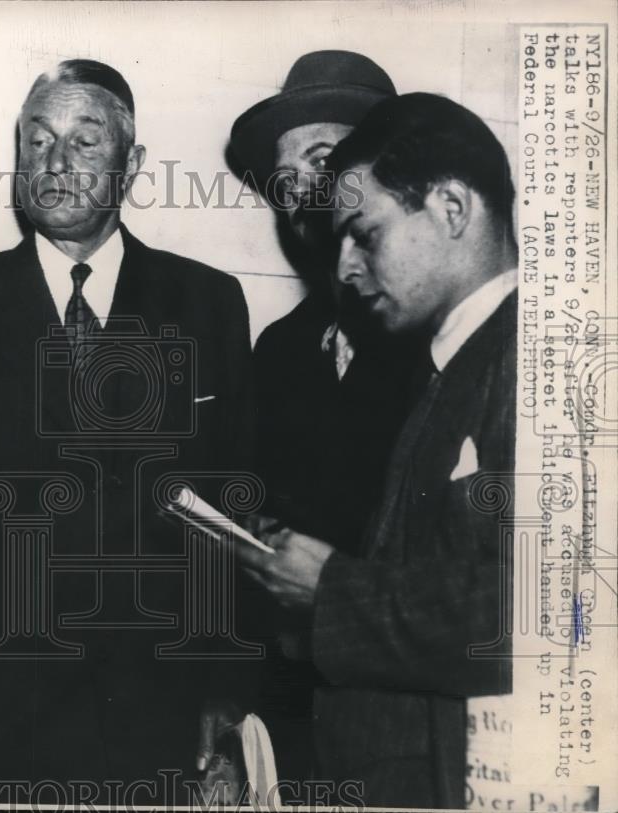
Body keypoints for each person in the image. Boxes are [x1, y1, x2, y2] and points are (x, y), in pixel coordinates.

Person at [0, 59, 255, 803]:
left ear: (132, 163)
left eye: (85, 140)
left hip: (160, 727)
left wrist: (228, 698)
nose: (55, 162)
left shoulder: (207, 302)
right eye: (37, 140)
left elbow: (230, 517)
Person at [237, 92, 518, 808]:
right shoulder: (451, 360)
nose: (347, 269)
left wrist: (330, 589)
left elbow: (541, 614)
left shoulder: (530, 357)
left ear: (453, 209)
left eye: (365, 234)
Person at [228, 50, 416, 788]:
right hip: (296, 738)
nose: (300, 191)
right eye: (285, 175)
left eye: (324, 157)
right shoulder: (278, 350)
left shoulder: (447, 341)